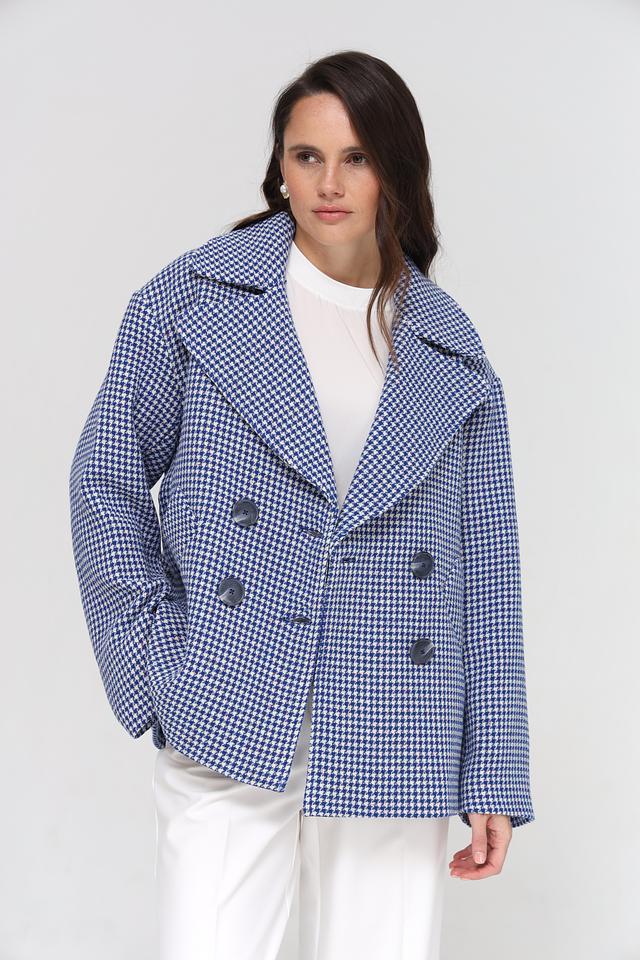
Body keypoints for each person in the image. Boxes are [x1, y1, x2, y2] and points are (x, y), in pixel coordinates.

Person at [69, 50, 535, 960]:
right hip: (228, 693)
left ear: (396, 169)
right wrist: (157, 660)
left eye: (356, 158)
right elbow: (105, 482)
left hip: (396, 714)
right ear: (278, 164)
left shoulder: (451, 348)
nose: (328, 183)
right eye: (306, 155)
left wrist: (494, 766)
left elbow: (486, 571)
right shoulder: (195, 299)